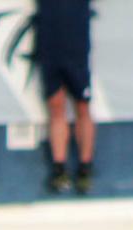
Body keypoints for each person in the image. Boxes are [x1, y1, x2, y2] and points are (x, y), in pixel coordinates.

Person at [35, 0, 95, 194]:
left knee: (82, 105)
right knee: (55, 105)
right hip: (50, 47)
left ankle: (85, 167)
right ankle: (59, 168)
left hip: (76, 48)